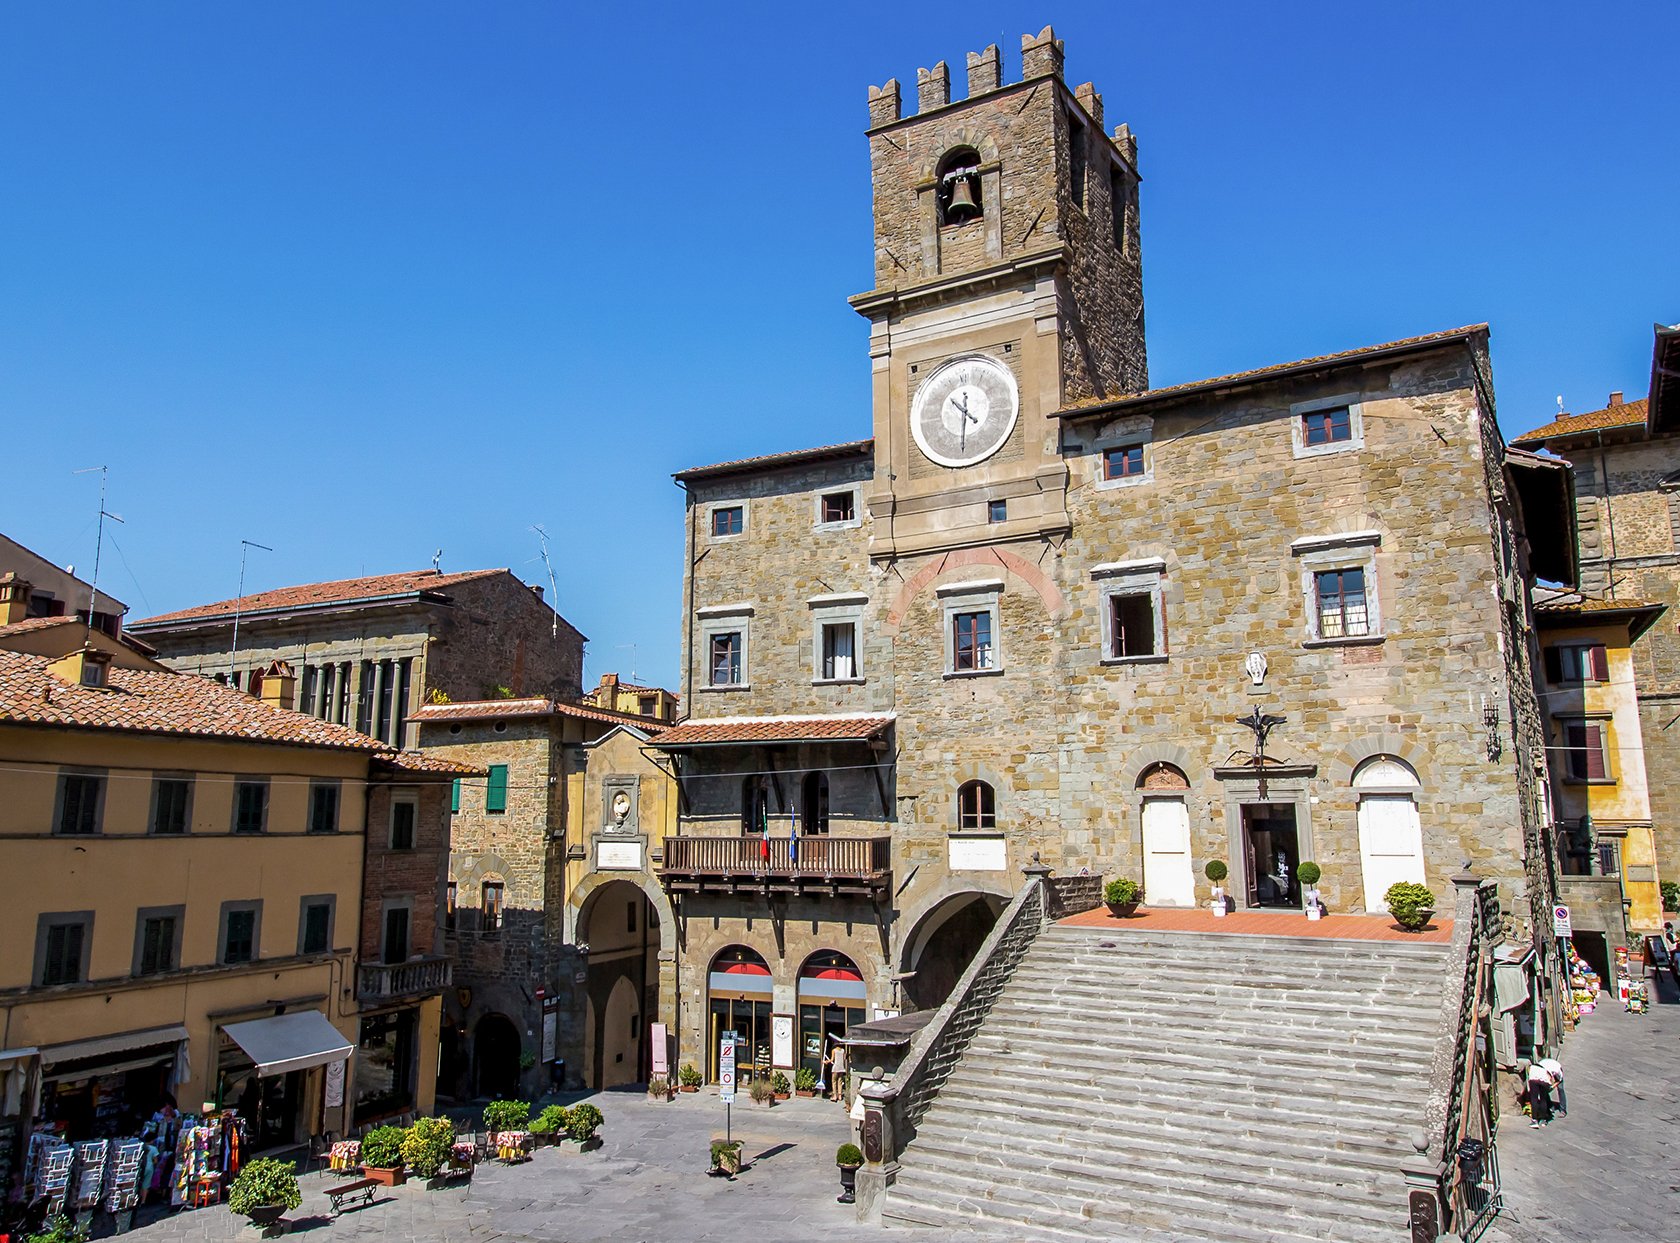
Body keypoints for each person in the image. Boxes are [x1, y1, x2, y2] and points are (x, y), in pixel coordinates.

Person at [1525, 1059, 1555, 1128]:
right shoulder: (1543, 1069)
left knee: (1534, 1099)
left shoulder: (1531, 1068)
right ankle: (1543, 1120)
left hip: (1534, 1080)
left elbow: (1529, 1075)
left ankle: (1534, 1120)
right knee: (1543, 1099)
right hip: (1545, 1081)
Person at [824, 1039, 848, 1103]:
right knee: (840, 1082)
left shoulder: (834, 1050)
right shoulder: (843, 1050)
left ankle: (835, 1096)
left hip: (835, 1068)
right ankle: (840, 1096)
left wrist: (826, 1062)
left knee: (834, 1081)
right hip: (841, 1068)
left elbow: (832, 1060)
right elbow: (844, 1058)